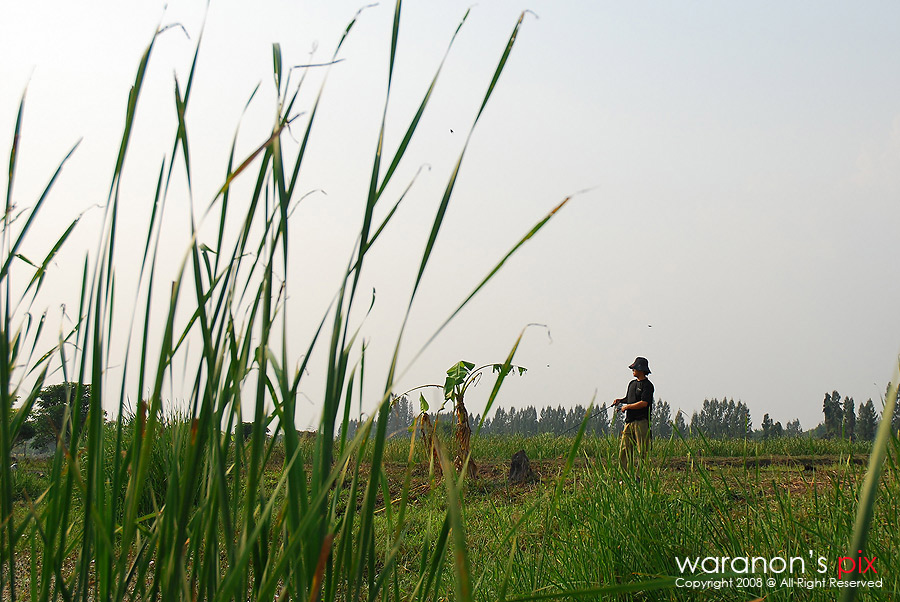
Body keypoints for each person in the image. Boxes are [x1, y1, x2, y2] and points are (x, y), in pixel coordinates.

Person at [612, 357, 654, 472]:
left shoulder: (648, 385)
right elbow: (629, 399)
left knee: (642, 451)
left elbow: (644, 403)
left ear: (641, 369)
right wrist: (620, 401)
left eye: (634, 368)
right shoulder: (632, 384)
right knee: (624, 449)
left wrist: (627, 407)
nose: (633, 370)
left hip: (642, 422)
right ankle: (624, 475)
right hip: (629, 422)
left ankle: (641, 476)